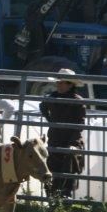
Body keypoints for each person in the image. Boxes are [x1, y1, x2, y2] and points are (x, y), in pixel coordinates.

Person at [39, 68, 86, 199]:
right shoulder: (53, 97)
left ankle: (66, 194)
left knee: (69, 161)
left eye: (62, 82)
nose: (58, 85)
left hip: (72, 140)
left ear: (70, 84)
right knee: (50, 166)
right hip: (55, 138)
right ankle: (52, 195)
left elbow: (80, 124)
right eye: (58, 82)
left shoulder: (78, 101)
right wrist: (51, 122)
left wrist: (71, 141)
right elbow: (42, 106)